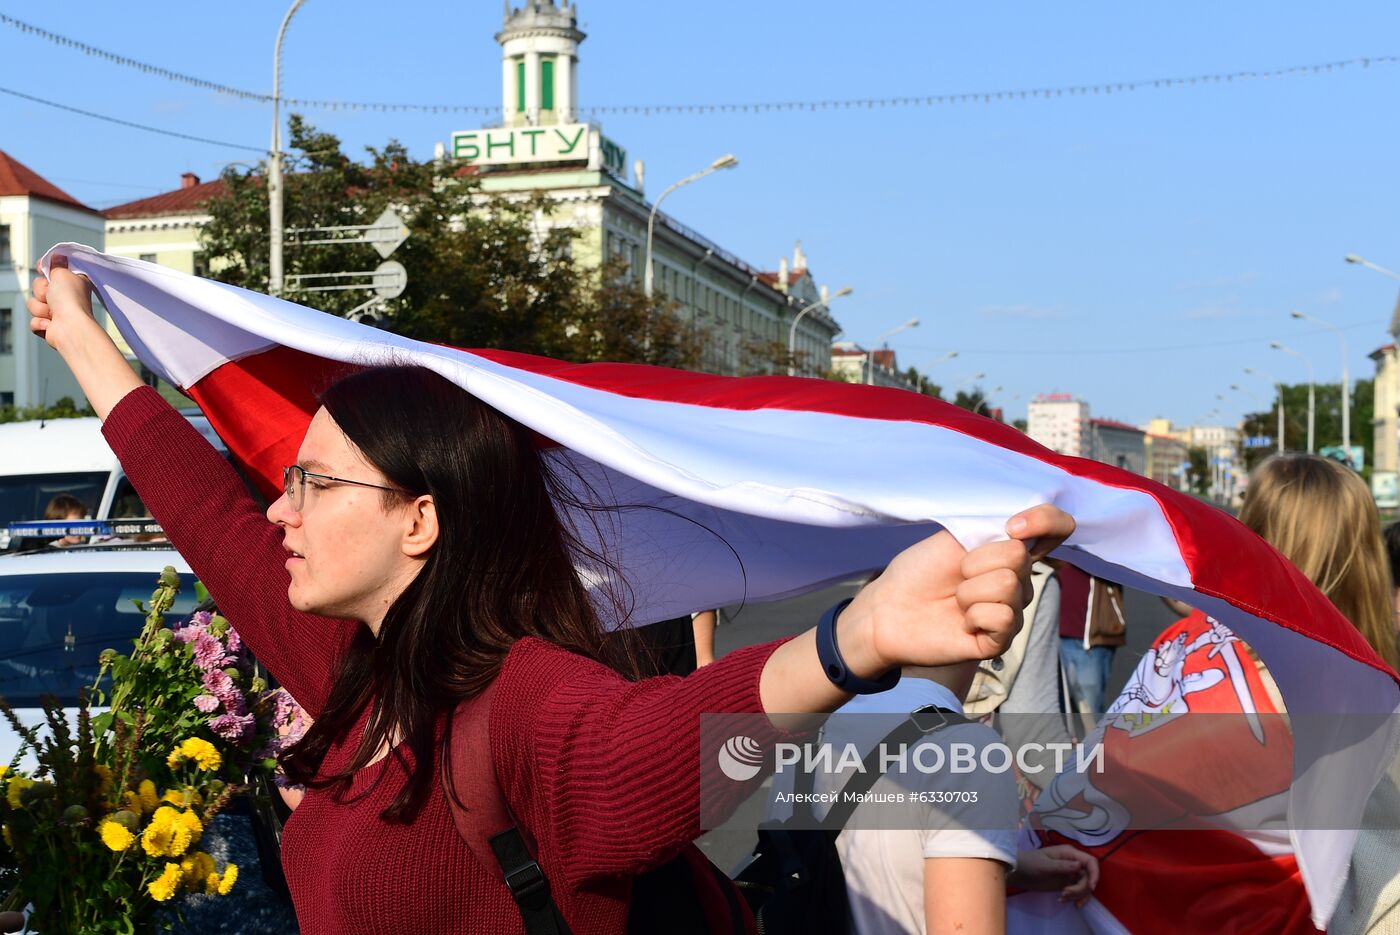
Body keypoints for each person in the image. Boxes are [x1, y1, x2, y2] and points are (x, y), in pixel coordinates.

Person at [28, 262, 1075, 934]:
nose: (279, 512)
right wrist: (80, 337)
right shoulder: (352, 671)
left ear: (420, 522)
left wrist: (859, 637)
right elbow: (206, 512)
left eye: (313, 483)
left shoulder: (526, 701)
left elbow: (683, 744)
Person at [1049, 561, 1125, 720]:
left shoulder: (1101, 541)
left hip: (1092, 640)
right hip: (1053, 636)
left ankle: (1094, 744)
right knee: (1056, 707)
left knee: (1090, 709)